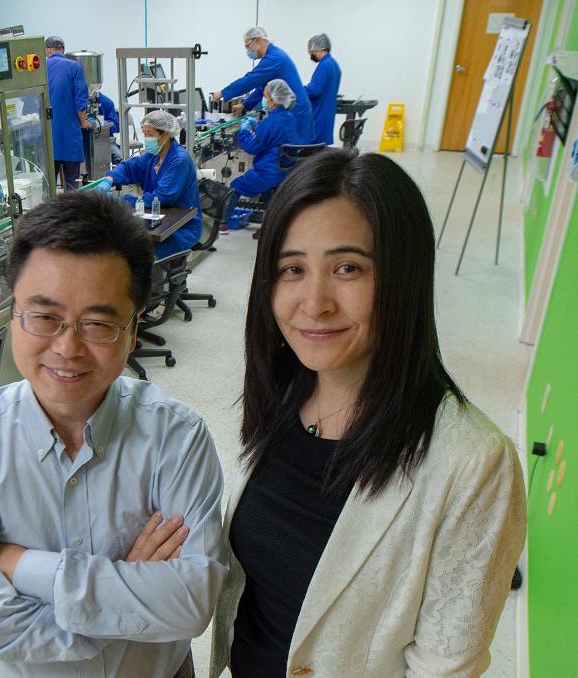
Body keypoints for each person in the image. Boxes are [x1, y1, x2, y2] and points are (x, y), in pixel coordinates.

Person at [209, 150, 526, 677]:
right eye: (292, 269)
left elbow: (445, 667)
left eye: (348, 268)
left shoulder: (473, 464)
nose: (314, 301)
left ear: (403, 278)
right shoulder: (283, 398)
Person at [0, 191, 226, 677]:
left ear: (132, 330)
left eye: (99, 323)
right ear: (12, 315)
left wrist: (22, 567)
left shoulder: (177, 438)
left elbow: (190, 606)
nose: (67, 348)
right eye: (45, 317)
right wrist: (129, 600)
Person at [94, 110, 202, 259]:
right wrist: (109, 180)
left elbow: (162, 197)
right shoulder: (153, 156)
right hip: (156, 220)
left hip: (180, 228)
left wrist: (121, 200)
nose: (146, 139)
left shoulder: (179, 160)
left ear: (166, 134)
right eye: (144, 134)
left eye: (150, 134)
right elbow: (129, 167)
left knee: (137, 254)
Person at [221, 79, 300, 231]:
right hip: (283, 171)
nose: (263, 100)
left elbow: (251, 147)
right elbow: (273, 135)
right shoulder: (288, 118)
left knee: (234, 186)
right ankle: (273, 225)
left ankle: (223, 223)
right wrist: (257, 126)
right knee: (267, 193)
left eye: (265, 96)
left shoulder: (269, 123)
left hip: (267, 172)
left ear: (273, 99)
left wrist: (244, 130)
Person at [212, 26, 314, 144]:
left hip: (296, 111)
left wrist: (222, 93)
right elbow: (262, 88)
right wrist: (245, 105)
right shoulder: (273, 55)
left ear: (257, 40)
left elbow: (250, 80)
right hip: (294, 110)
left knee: (294, 155)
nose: (247, 50)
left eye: (247, 46)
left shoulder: (274, 58)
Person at [45, 35, 89, 190]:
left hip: (49, 138)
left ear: (47, 51)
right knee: (72, 186)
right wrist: (84, 121)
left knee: (49, 187)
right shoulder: (74, 66)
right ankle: (72, 213)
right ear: (62, 50)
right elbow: (80, 99)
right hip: (70, 136)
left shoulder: (42, 68)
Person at [304, 33, 342, 145]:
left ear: (318, 49)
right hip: (327, 114)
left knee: (313, 149)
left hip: (319, 113)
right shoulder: (334, 65)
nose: (311, 55)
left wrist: (298, 90)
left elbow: (314, 90)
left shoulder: (324, 65)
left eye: (312, 52)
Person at [96, 89, 122, 163]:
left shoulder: (106, 102)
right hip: (83, 141)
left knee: (119, 157)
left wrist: (103, 125)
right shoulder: (79, 101)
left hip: (106, 140)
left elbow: (116, 127)